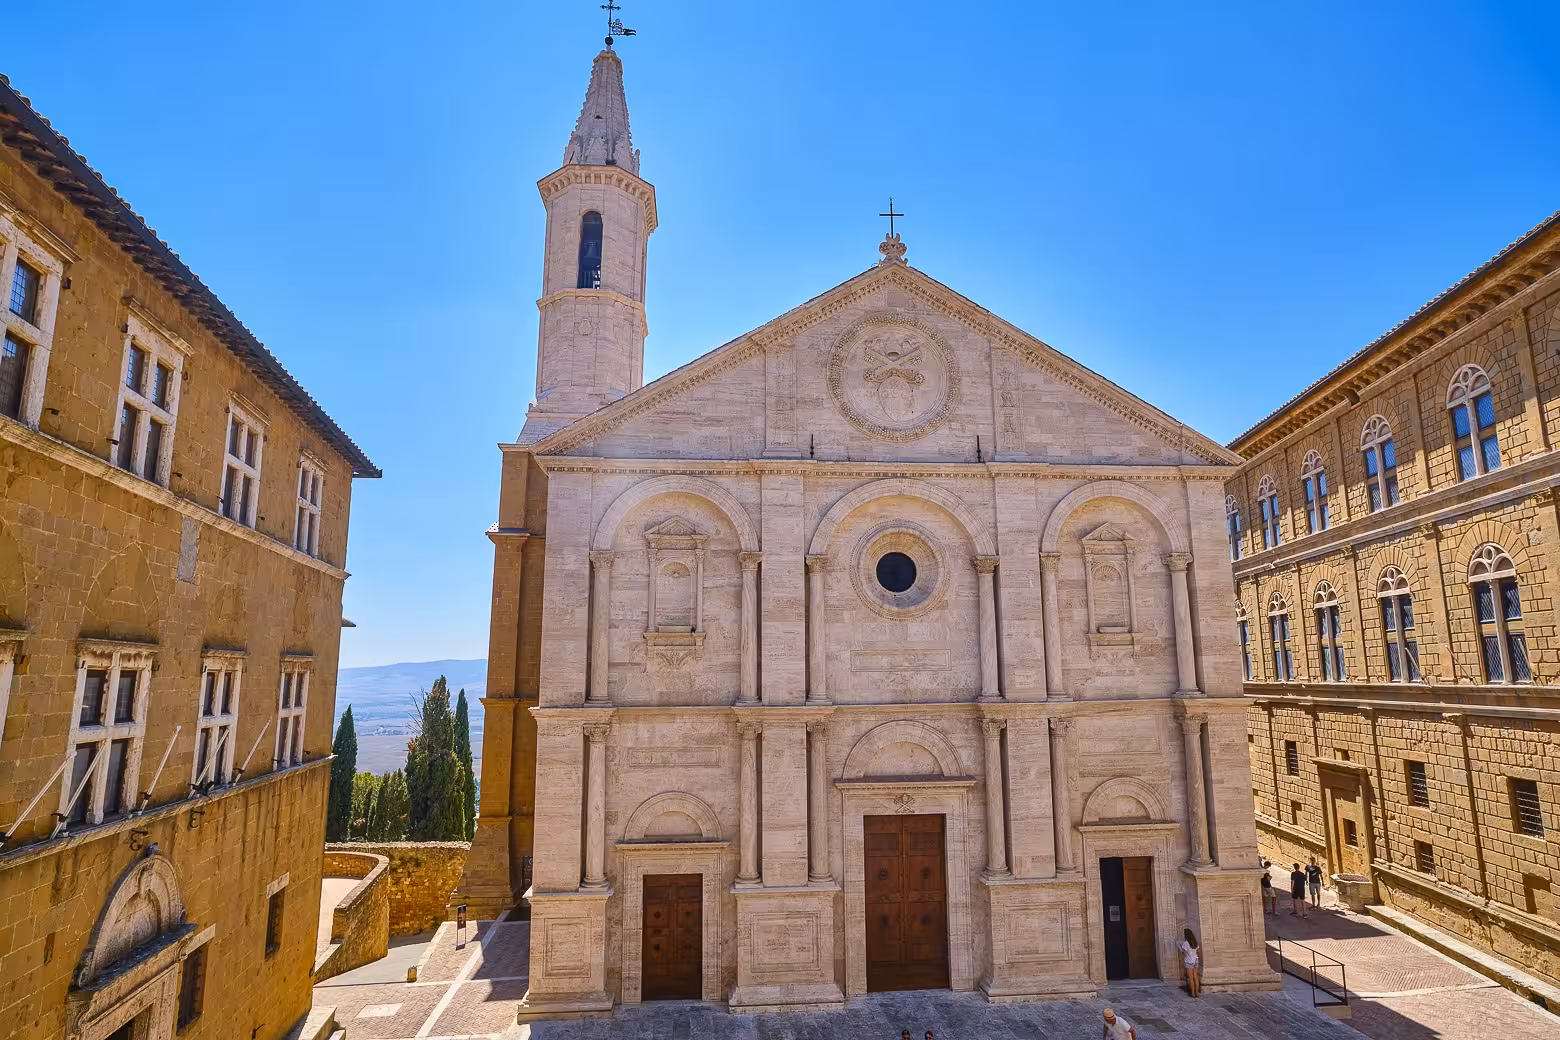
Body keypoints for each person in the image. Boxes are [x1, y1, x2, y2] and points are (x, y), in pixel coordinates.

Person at [1179, 927, 1202, 997]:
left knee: (1191, 978)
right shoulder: (1195, 942)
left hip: (1189, 961)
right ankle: (1197, 993)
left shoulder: (1185, 943)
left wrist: (1181, 950)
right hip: (1196, 961)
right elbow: (1198, 952)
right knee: (1196, 977)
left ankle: (1192, 994)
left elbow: (1184, 954)